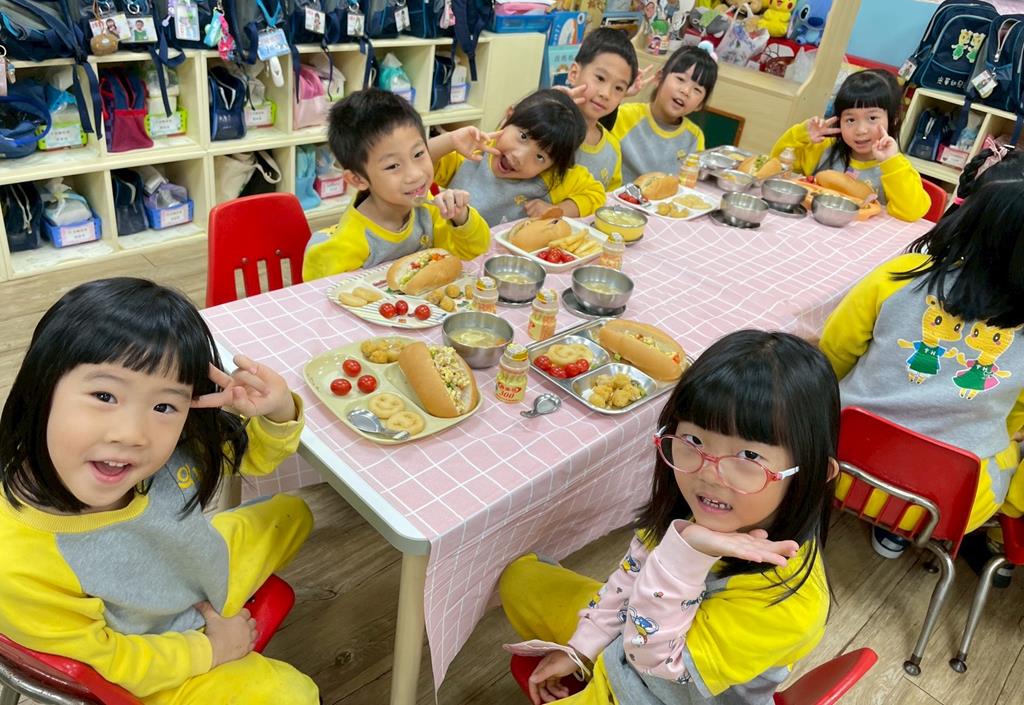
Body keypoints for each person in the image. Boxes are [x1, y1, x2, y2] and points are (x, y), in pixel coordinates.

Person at [0, 278, 318, 704]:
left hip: (192, 567)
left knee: (297, 513)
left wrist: (278, 410)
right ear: (41, 386)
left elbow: (249, 456)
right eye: (104, 395)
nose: (133, 434)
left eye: (164, 405)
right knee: (291, 694)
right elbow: (106, 664)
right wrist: (211, 649)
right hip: (157, 656)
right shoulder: (16, 558)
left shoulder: (171, 445)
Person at [500, 330, 839, 705]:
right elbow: (630, 576)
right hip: (629, 640)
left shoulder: (790, 604)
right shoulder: (701, 506)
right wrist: (582, 648)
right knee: (520, 577)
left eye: (749, 457)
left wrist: (686, 553)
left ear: (813, 474)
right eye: (694, 441)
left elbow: (654, 666)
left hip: (648, 693)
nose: (709, 474)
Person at [820, 150, 1024, 562]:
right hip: (948, 505)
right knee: (1009, 443)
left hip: (838, 465)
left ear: (967, 218)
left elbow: (833, 354)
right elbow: (1016, 414)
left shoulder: (902, 274)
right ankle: (896, 532)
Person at [302, 89, 490, 281]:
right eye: (393, 166)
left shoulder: (427, 208)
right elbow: (319, 293)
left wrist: (461, 217)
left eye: (418, 154)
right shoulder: (346, 245)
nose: (415, 175)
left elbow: (473, 251)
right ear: (358, 179)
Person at [770, 69, 929, 222]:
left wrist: (891, 163)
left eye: (872, 118)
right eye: (850, 120)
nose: (860, 130)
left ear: (893, 119)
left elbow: (912, 212)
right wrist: (801, 134)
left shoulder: (895, 167)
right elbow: (776, 169)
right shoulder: (823, 148)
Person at [431, 89, 604, 225]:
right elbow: (421, 165)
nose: (520, 157)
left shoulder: (550, 177)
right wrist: (450, 140)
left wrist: (557, 210)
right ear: (509, 116)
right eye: (523, 136)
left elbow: (595, 193)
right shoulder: (473, 154)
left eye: (540, 157)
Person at [612, 42, 718, 183]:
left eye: (697, 89)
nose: (686, 91)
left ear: (700, 105)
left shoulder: (694, 137)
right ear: (659, 79)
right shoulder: (625, 115)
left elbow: (689, 183)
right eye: (680, 79)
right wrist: (620, 94)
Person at [565, 28, 639, 191]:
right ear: (574, 73)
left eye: (618, 88)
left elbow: (608, 199)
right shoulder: (545, 126)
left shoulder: (612, 149)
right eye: (600, 78)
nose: (606, 94)